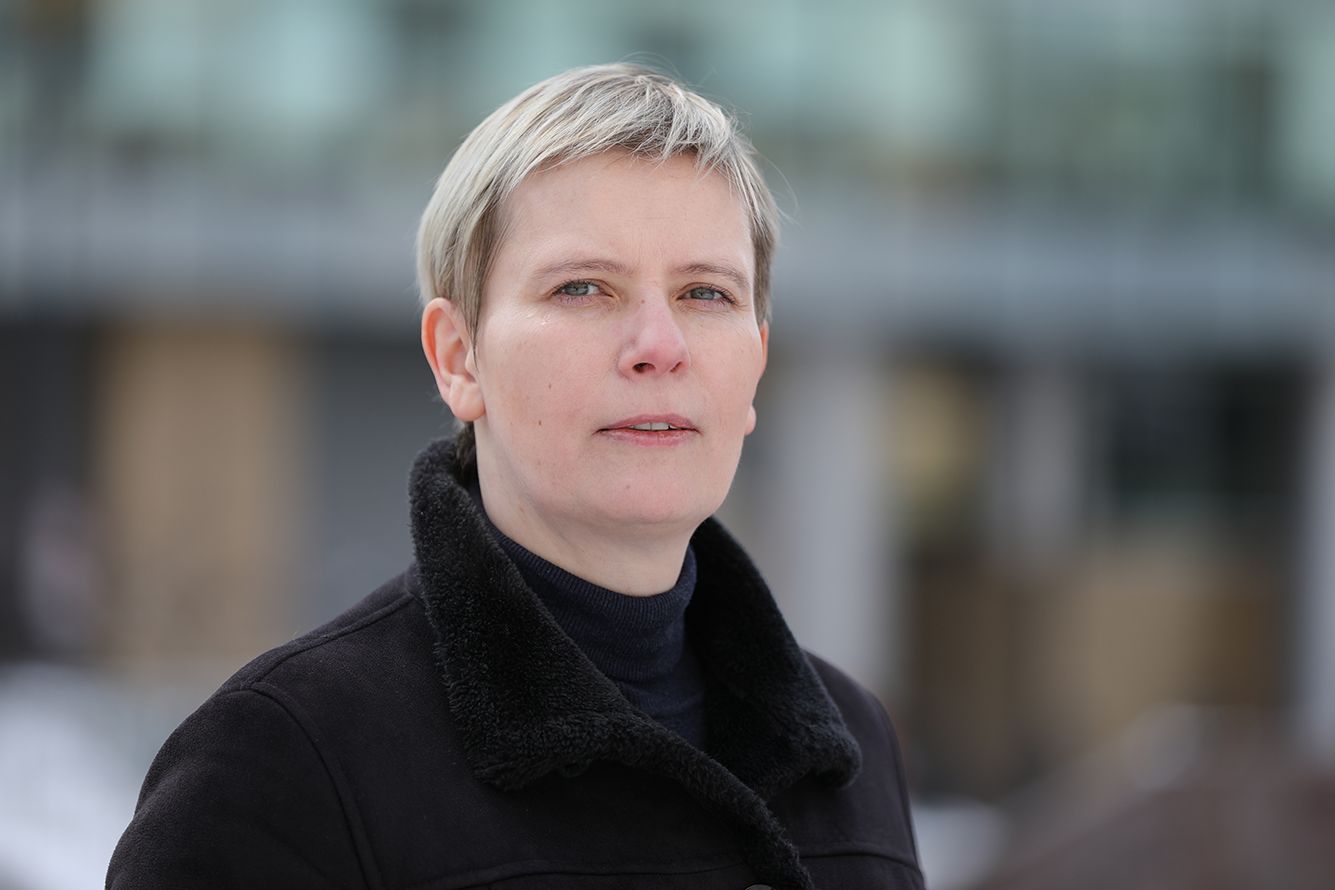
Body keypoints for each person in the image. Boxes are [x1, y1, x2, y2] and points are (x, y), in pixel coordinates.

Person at [107, 63, 925, 890]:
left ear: (756, 364)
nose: (659, 345)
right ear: (458, 359)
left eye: (705, 294)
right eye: (583, 288)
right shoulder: (281, 763)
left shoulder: (852, 751)